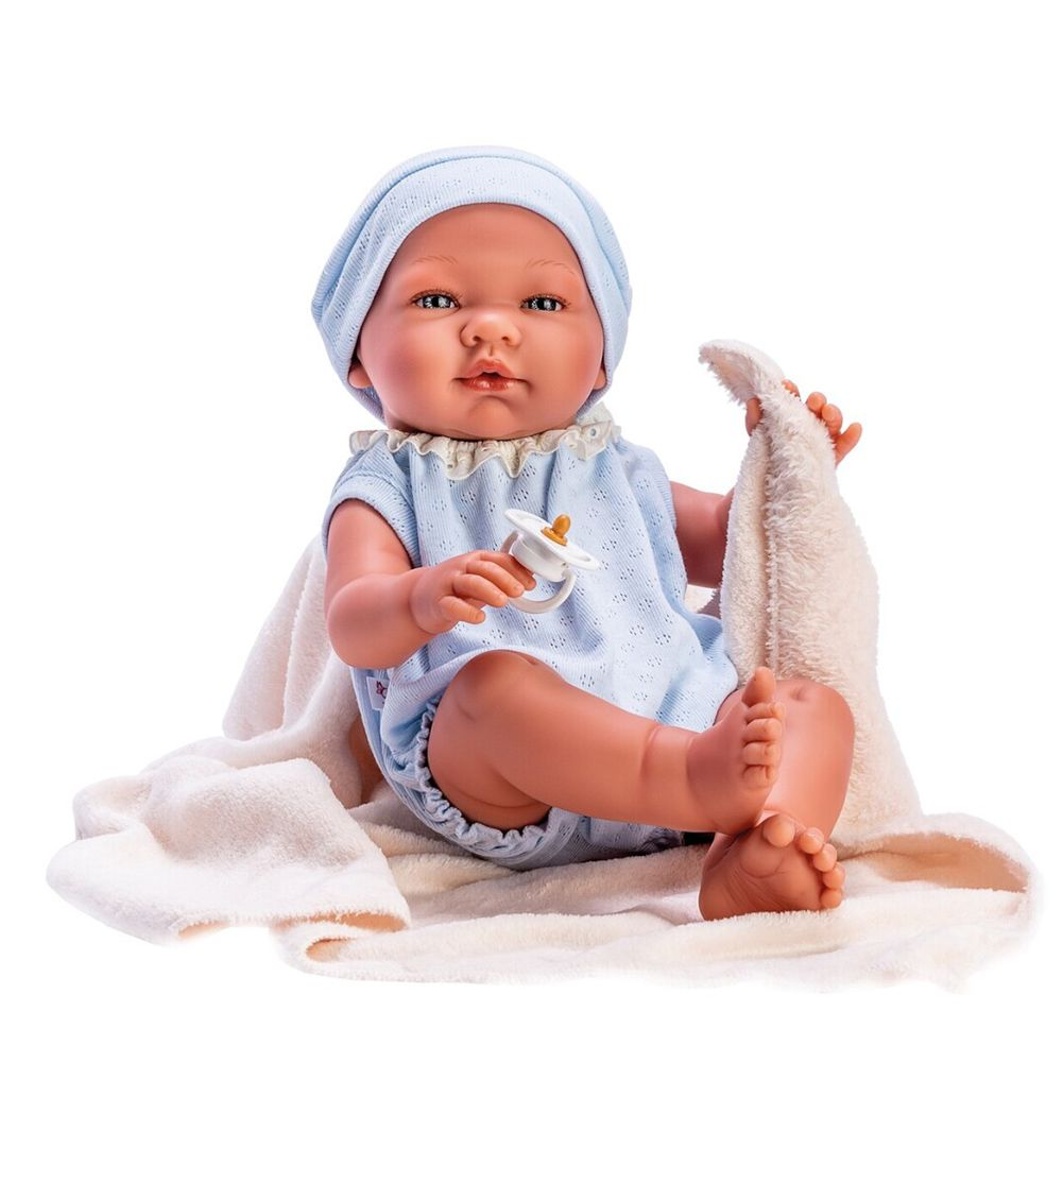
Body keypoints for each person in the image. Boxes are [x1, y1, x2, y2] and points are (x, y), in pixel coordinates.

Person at [315, 147, 859, 920]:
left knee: (812, 704)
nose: (491, 328)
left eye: (542, 303)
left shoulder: (617, 468)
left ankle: (762, 843)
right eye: (437, 300)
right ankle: (693, 782)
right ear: (358, 358)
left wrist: (790, 471)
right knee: (493, 689)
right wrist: (420, 598)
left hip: (677, 708)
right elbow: (352, 622)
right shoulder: (390, 482)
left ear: (601, 361)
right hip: (511, 785)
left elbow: (731, 544)